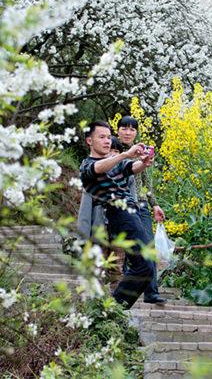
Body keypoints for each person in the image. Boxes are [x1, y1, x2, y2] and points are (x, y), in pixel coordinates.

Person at [80, 121, 154, 308]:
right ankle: (114, 308)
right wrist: (124, 154)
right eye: (101, 137)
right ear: (89, 141)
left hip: (132, 212)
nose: (107, 141)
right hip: (118, 214)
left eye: (108, 136)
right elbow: (98, 169)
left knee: (146, 267)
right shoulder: (87, 165)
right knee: (142, 265)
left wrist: (143, 163)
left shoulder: (115, 164)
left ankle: (115, 308)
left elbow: (132, 168)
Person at [117, 116, 167, 305]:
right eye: (124, 128)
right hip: (123, 207)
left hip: (142, 206)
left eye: (132, 129)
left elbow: (146, 183)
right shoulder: (114, 150)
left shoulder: (140, 153)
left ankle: (151, 292)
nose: (128, 132)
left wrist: (154, 204)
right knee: (132, 252)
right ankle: (124, 294)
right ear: (118, 130)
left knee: (148, 248)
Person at [76, 136, 125, 239]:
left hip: (120, 234)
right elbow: (85, 212)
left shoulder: (127, 176)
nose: (112, 155)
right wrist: (82, 239)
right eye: (109, 151)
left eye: (116, 151)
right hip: (99, 233)